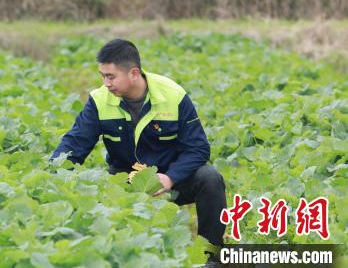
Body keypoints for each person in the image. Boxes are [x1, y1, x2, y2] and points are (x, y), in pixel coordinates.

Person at [51, 38, 227, 264]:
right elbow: (75, 144)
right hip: (124, 181)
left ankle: (211, 256)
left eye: (110, 76)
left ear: (134, 73)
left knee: (210, 178)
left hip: (170, 179)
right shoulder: (99, 100)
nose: (106, 83)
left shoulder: (173, 95)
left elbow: (198, 148)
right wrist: (51, 175)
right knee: (90, 192)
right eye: (102, 76)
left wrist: (170, 177)